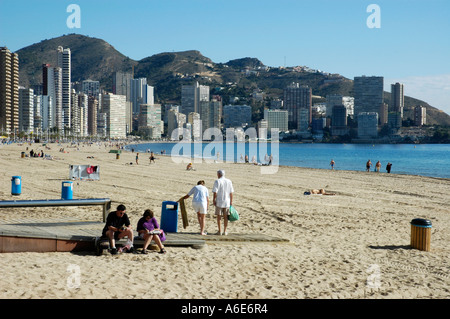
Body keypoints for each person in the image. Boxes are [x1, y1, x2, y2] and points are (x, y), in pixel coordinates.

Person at [212, 170, 234, 236]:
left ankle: (220, 231)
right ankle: (225, 231)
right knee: (226, 217)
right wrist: (231, 201)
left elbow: (215, 191)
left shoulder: (217, 181)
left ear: (218, 174)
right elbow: (231, 192)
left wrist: (214, 199)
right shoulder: (229, 181)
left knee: (219, 217)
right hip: (227, 201)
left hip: (219, 200)